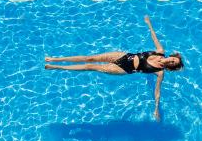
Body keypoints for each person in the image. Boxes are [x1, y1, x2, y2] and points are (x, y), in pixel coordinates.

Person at [45, 15, 182, 120]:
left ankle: (56, 67)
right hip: (124, 56)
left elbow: (157, 91)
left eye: (173, 63)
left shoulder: (159, 72)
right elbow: (154, 37)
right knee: (90, 58)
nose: (170, 60)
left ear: (171, 67)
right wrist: (149, 23)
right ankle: (56, 58)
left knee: (90, 66)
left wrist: (156, 108)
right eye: (173, 58)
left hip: (125, 69)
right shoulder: (160, 51)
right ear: (171, 55)